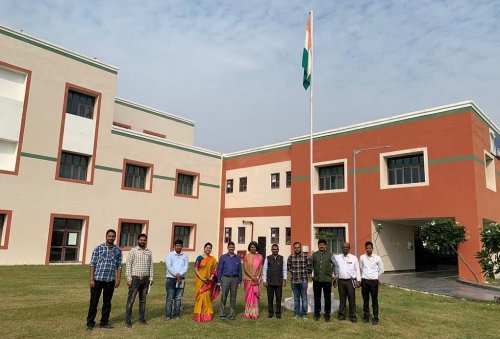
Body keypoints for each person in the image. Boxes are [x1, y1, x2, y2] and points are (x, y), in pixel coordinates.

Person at [86, 229, 122, 331]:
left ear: (115, 237)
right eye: (109, 236)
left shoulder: (118, 250)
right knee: (94, 302)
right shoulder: (98, 248)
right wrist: (91, 278)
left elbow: (119, 266)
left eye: (113, 236)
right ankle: (90, 323)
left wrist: (118, 279)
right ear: (106, 236)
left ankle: (104, 322)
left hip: (110, 280)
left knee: (107, 303)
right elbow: (92, 264)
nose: (111, 238)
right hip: (97, 279)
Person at [125, 233, 153, 328]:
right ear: (138, 240)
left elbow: (151, 266)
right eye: (141, 240)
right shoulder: (133, 251)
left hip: (145, 279)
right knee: (131, 300)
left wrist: (151, 277)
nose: (143, 241)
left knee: (143, 301)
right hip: (135, 279)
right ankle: (128, 320)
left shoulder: (149, 251)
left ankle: (142, 319)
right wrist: (129, 278)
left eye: (144, 240)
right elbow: (128, 265)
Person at [331, 242, 361, 323]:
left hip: (351, 281)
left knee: (352, 299)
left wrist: (358, 280)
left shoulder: (354, 258)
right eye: (344, 247)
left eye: (347, 247)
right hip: (341, 281)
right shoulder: (337, 257)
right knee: (342, 299)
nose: (345, 249)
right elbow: (334, 268)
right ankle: (342, 315)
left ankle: (353, 316)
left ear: (349, 248)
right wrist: (334, 278)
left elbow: (357, 269)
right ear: (341, 248)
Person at [359, 241, 384, 324]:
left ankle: (375, 318)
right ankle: (366, 317)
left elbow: (381, 270)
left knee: (374, 300)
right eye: (367, 248)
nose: (368, 249)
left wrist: (375, 276)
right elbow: (361, 268)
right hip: (365, 281)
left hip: (374, 282)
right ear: (365, 248)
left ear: (372, 248)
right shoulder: (362, 257)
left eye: (370, 248)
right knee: (365, 300)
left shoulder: (377, 258)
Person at [194, 242, 219, 322]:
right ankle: (199, 314)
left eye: (210, 248)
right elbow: (196, 269)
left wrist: (211, 277)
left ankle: (207, 314)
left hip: (209, 281)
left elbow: (215, 269)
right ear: (204, 248)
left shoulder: (213, 259)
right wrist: (202, 278)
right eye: (207, 247)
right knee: (200, 296)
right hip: (200, 281)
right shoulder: (199, 258)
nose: (208, 249)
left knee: (207, 296)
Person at [217, 241, 242, 320]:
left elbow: (240, 270)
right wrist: (219, 281)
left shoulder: (237, 258)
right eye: (230, 247)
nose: (231, 248)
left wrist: (239, 281)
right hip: (225, 278)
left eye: (233, 247)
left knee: (233, 297)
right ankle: (222, 314)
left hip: (235, 279)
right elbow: (219, 269)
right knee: (224, 296)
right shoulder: (223, 257)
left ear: (234, 248)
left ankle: (232, 315)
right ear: (228, 248)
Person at [287, 241, 312, 319]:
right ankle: (297, 314)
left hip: (303, 280)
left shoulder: (306, 257)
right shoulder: (291, 257)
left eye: (298, 247)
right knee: (296, 299)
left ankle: (304, 314)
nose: (297, 249)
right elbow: (288, 267)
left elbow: (310, 267)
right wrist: (293, 271)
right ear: (293, 248)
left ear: (300, 248)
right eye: (295, 247)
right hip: (294, 281)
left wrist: (305, 272)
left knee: (304, 298)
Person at [165, 239, 188, 320]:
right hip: (171, 279)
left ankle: (176, 314)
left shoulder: (185, 256)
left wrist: (180, 274)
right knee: (170, 298)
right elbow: (169, 266)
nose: (179, 247)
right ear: (174, 246)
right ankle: (168, 315)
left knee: (178, 298)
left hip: (181, 279)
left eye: (180, 246)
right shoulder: (170, 255)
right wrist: (176, 274)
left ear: (182, 247)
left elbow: (186, 267)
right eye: (177, 245)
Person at [262, 243, 287, 319]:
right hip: (270, 281)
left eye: (276, 249)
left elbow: (284, 269)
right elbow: (265, 269)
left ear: (278, 250)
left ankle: (278, 313)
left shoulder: (282, 258)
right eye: (273, 249)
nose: (275, 250)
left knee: (279, 298)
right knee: (270, 298)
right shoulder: (267, 258)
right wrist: (264, 280)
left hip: (279, 281)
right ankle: (270, 312)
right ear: (271, 250)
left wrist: (284, 279)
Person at [311, 239, 333, 322]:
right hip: (316, 280)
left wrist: (333, 275)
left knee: (327, 298)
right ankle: (317, 314)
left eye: (323, 244)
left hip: (327, 280)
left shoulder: (330, 255)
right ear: (318, 245)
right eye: (320, 244)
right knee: (317, 298)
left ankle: (327, 315)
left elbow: (335, 265)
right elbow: (311, 266)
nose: (321, 246)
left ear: (326, 246)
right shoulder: (314, 255)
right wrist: (311, 275)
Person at [242, 241, 264, 319]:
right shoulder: (246, 256)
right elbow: (245, 268)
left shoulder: (260, 256)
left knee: (255, 295)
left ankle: (254, 313)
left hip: (257, 279)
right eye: (251, 247)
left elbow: (261, 267)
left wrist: (257, 277)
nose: (253, 248)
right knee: (248, 296)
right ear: (249, 248)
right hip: (248, 279)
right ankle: (248, 312)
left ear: (256, 248)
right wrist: (252, 277)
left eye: (254, 247)